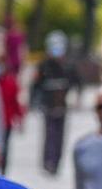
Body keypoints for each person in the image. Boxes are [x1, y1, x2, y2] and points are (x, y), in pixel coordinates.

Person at [31, 31, 79, 175]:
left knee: (59, 136)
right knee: (49, 134)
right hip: (47, 105)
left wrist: (77, 99)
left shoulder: (68, 65)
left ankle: (56, 162)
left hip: (62, 105)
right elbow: (35, 85)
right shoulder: (44, 65)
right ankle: (48, 161)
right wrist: (34, 102)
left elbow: (77, 82)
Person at [0, 56, 23, 174]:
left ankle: (3, 170)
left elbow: (15, 102)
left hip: (6, 121)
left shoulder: (10, 82)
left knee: (4, 148)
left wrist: (19, 118)